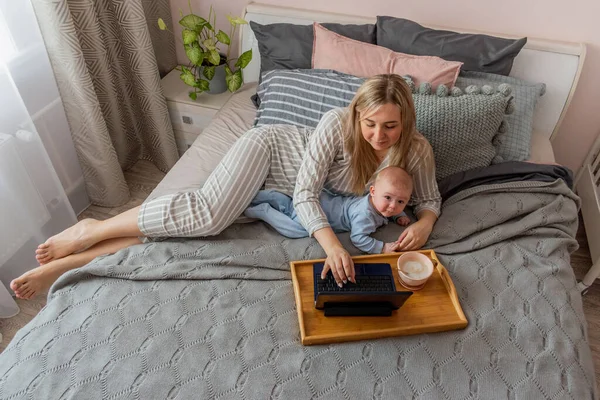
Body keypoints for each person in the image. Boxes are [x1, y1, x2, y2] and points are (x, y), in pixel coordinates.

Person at [10, 74, 441, 299]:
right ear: (357, 116)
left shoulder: (416, 150)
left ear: (405, 122)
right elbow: (306, 195)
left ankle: (69, 263)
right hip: (272, 153)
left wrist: (424, 222)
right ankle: (91, 229)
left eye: (389, 126)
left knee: (186, 229)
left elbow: (430, 199)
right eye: (369, 124)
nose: (378, 136)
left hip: (283, 184)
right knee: (207, 215)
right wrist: (333, 246)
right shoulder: (336, 124)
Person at [245, 166, 413, 255]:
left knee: (290, 205)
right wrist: (382, 248)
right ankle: (263, 211)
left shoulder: (376, 203)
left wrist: (400, 216)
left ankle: (259, 195)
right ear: (373, 192)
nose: (393, 206)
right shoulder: (365, 216)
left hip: (323, 199)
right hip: (318, 213)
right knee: (296, 229)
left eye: (401, 202)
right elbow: (358, 238)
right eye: (388, 198)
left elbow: (392, 207)